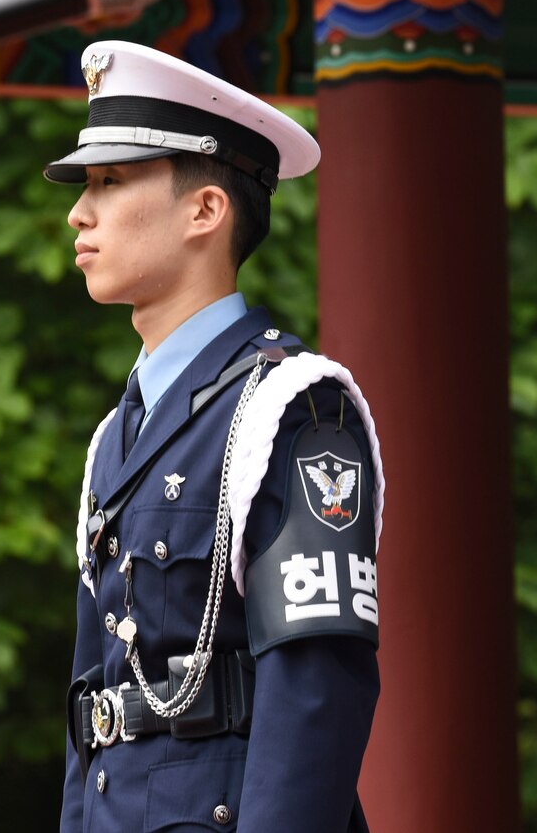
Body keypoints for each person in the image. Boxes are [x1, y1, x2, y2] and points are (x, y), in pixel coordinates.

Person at [48, 40, 382, 833]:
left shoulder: (292, 409)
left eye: (109, 180)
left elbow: (316, 691)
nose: (79, 212)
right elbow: (92, 708)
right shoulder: (115, 436)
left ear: (205, 208)